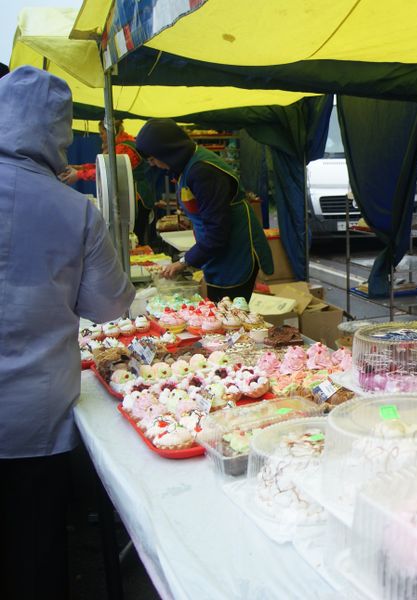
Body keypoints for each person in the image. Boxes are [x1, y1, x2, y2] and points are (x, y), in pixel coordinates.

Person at [0, 66, 135, 599]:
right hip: (34, 421)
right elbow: (108, 308)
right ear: (58, 133)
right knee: (34, 552)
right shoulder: (75, 209)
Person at [135, 119, 273, 302]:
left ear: (167, 151)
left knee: (230, 314)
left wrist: (184, 262)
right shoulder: (189, 165)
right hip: (220, 253)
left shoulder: (203, 172)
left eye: (153, 159)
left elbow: (217, 232)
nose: (153, 165)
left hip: (234, 254)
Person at [59, 119, 159, 244]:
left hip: (137, 198)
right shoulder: (120, 145)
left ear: (110, 132)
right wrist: (80, 168)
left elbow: (108, 172)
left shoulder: (124, 148)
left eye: (102, 133)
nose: (100, 136)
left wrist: (78, 174)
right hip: (131, 196)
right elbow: (103, 166)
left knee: (134, 237)